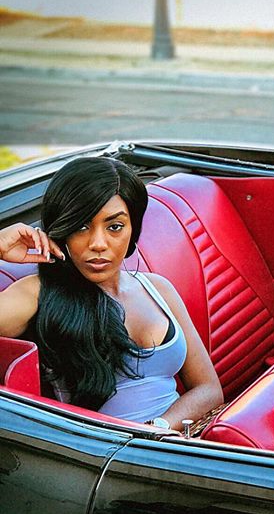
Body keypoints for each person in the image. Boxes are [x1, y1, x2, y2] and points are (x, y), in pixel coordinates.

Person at [0, 156, 223, 430]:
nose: (98, 243)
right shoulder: (37, 293)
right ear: (62, 230)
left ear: (133, 229)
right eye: (81, 226)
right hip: (104, 453)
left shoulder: (158, 288)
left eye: (114, 227)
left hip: (177, 440)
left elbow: (209, 389)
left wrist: (159, 428)